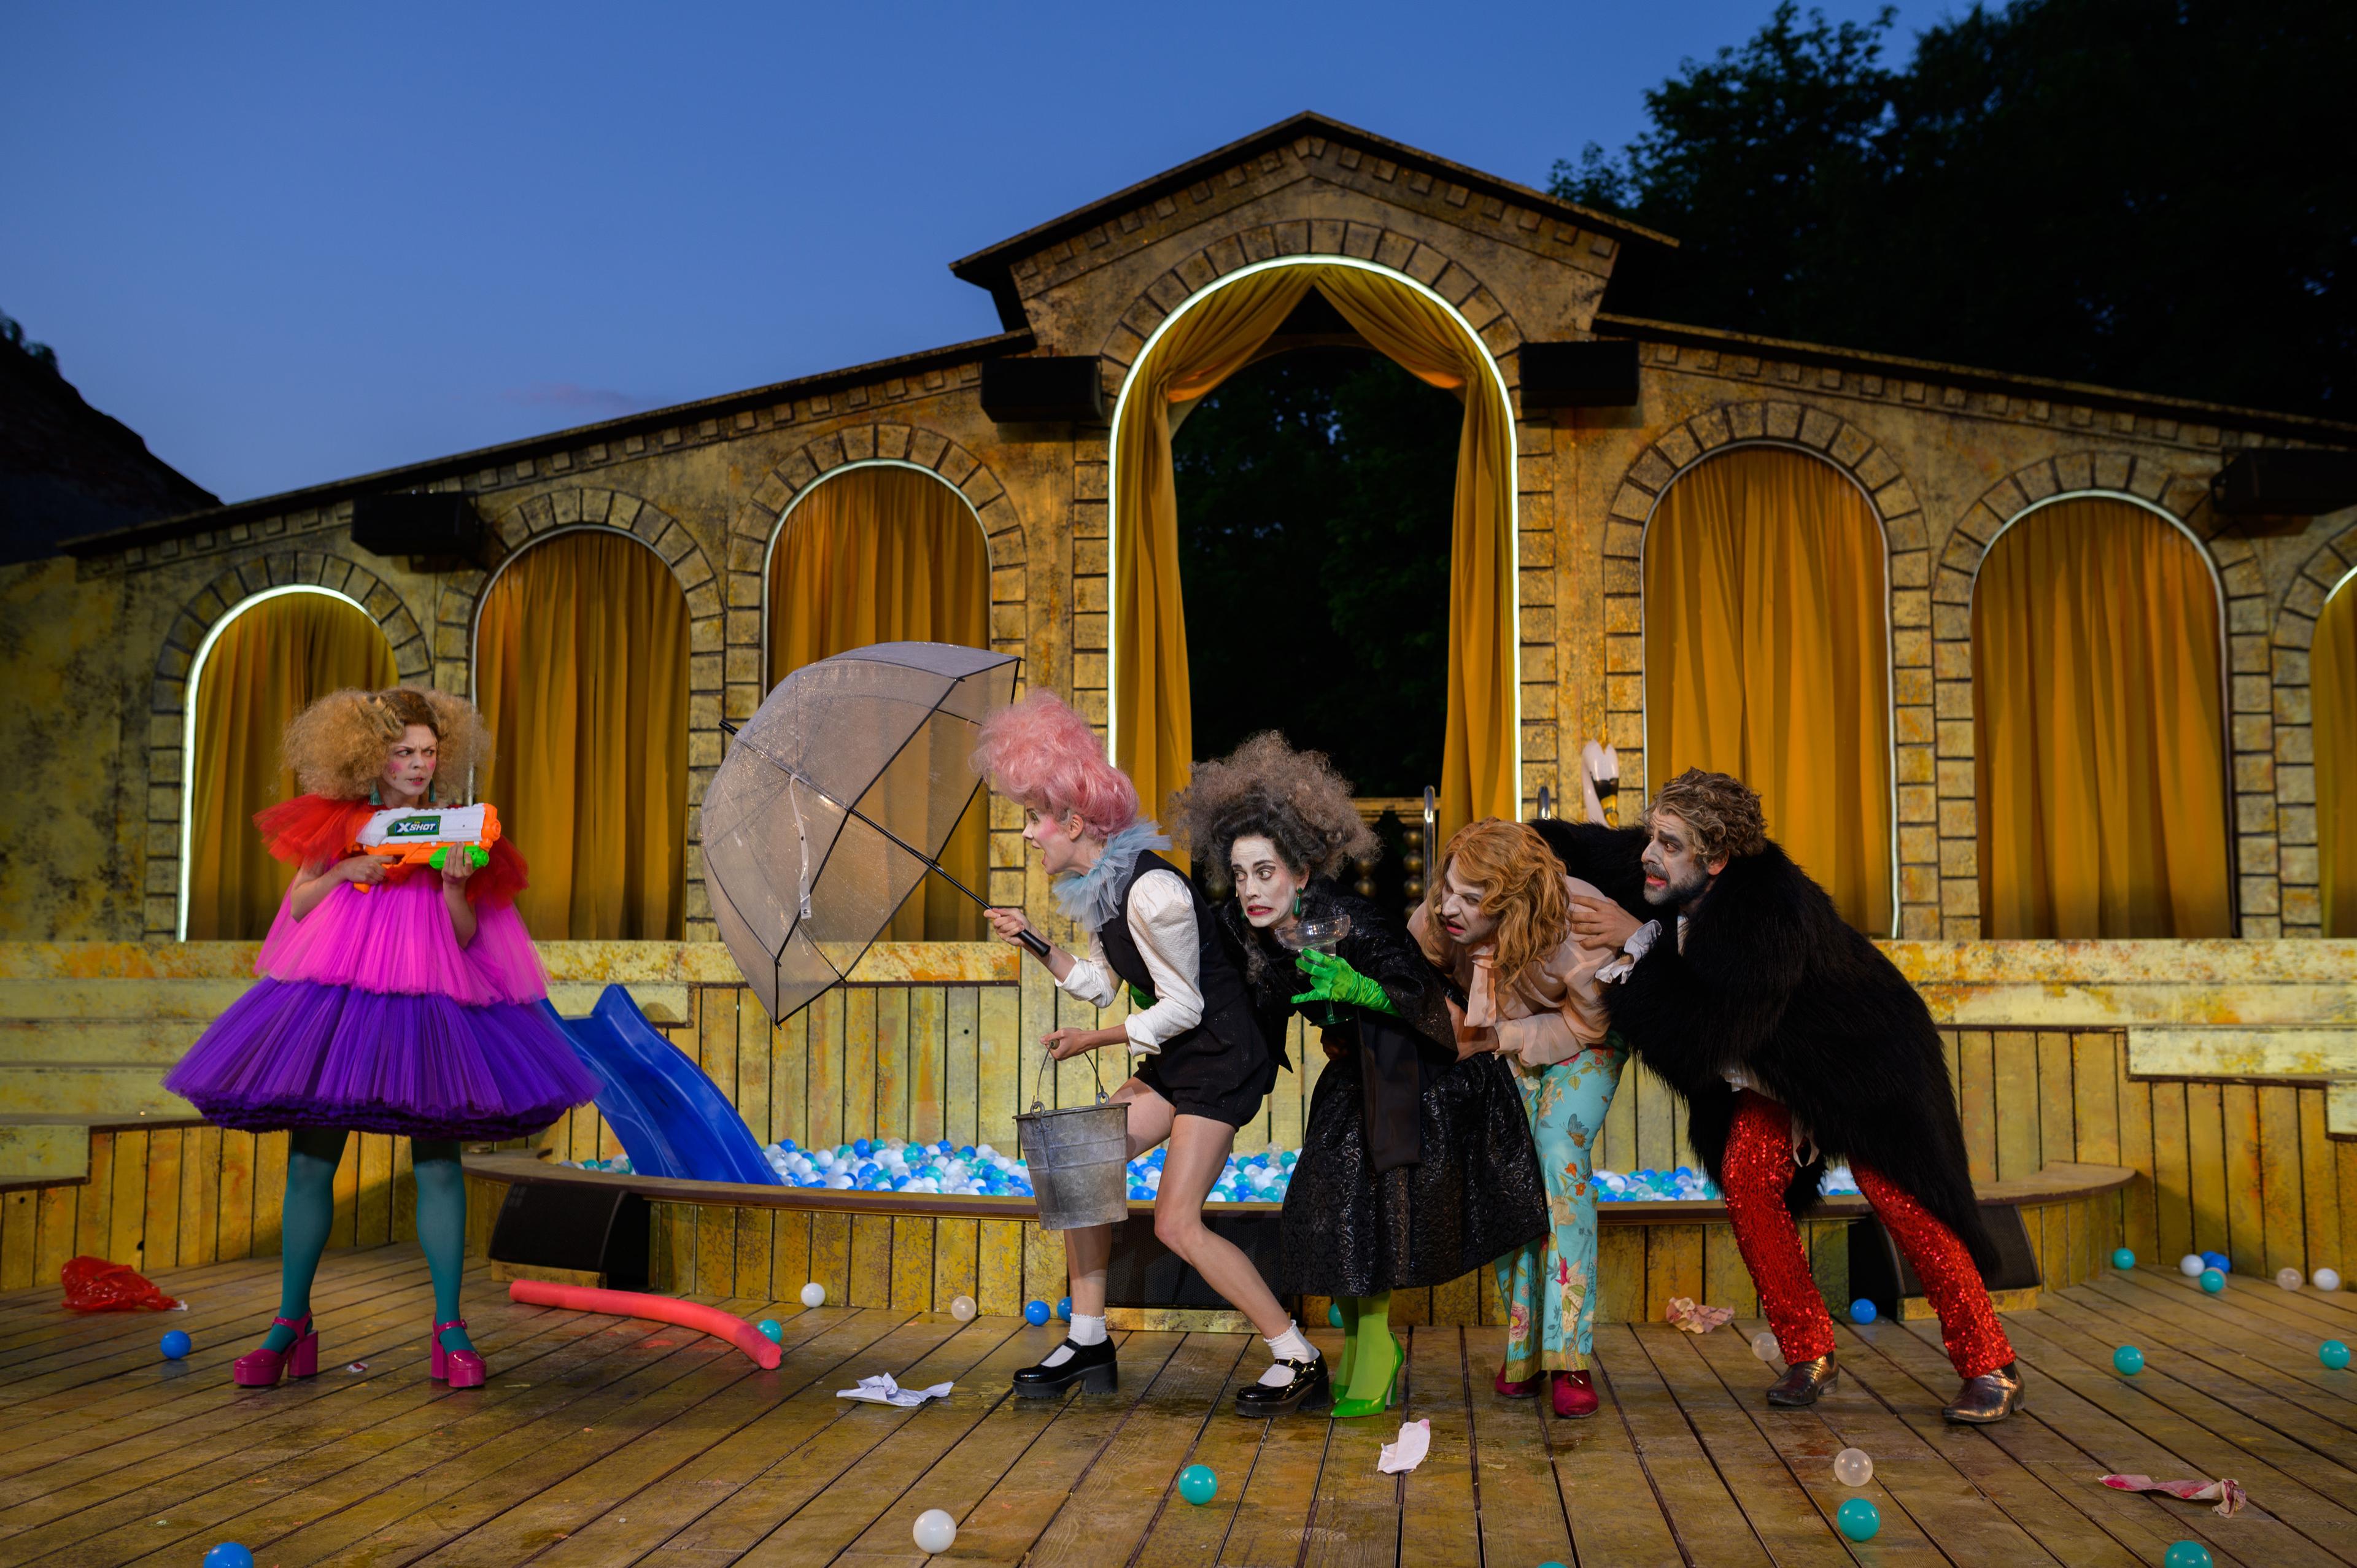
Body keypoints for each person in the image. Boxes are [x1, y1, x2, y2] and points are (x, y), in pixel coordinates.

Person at [166, 686, 597, 1391]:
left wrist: (456, 887)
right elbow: (300, 905)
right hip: (340, 991)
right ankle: (290, 1322)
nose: (418, 764)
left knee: (437, 1162)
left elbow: (464, 938)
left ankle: (449, 1327)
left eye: (428, 752)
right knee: (311, 1161)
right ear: (371, 755)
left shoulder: (459, 826)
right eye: (403, 751)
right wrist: (343, 869)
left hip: (430, 995)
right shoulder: (340, 822)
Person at [1574, 768, 2024, 1422]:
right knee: (1748, 1179)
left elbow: (1700, 1034)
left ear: (1718, 857)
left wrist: (1635, 938)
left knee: (1904, 1198)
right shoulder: (1665, 876)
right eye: (1653, 835)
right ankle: (1809, 1350)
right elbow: (1590, 846)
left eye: (1669, 843)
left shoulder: (1768, 911)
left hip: (1865, 1065)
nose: (1650, 853)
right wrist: (1513, 841)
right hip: (1775, 1071)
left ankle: (1991, 1364)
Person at [1171, 738, 1547, 1419]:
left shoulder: (1352, 919)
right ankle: (1363, 1340)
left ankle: (1373, 1346)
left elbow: (1429, 1002)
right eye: (1241, 873)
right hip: (1357, 1076)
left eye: (1267, 871)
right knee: (1320, 1209)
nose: (1253, 888)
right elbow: (1205, 976)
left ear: (1304, 870)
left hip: (1425, 1077)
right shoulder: (1244, 925)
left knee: (1360, 1205)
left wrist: (1363, 989)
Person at [973, 693, 1323, 1415]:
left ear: (1073, 822)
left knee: (1175, 1221)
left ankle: (1297, 1353)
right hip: (1180, 1054)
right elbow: (1104, 985)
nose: (1030, 835)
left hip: (1222, 1056)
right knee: (1078, 1159)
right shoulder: (1101, 891)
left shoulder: (1153, 891)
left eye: (1035, 819)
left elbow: (1184, 1006)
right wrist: (1034, 942)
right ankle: (1089, 1335)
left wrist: (1093, 1043)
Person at [1410, 818, 1627, 1419]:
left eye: (1472, 899)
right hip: (1500, 1039)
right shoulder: (1439, 918)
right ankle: (1526, 1347)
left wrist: (1495, 1035)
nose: (1450, 906)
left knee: (1558, 1148)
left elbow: (1587, 1024)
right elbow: (1413, 980)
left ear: (1514, 904)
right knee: (1506, 1158)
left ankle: (1570, 1354)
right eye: (1450, 887)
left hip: (1585, 1038)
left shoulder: (1579, 927)